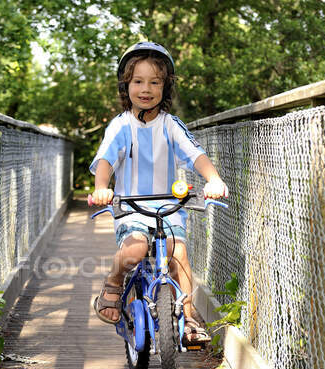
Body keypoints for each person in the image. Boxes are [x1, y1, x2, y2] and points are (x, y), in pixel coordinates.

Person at [90, 41, 228, 343]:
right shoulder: (121, 125)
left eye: (155, 82)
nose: (146, 88)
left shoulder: (170, 125)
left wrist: (214, 179)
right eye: (138, 81)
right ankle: (113, 282)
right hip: (131, 208)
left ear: (166, 87)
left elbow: (196, 155)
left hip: (168, 207)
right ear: (126, 85)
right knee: (136, 247)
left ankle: (189, 317)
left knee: (179, 254)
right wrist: (102, 188)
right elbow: (105, 161)